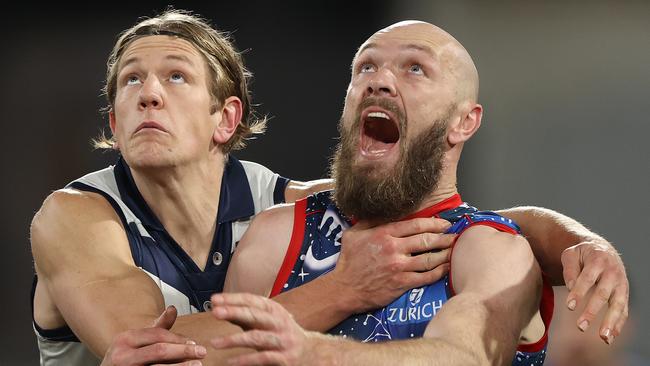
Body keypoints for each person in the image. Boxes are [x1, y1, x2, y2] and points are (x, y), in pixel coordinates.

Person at [29, 10, 627, 366]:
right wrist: (342, 292)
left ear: (227, 119)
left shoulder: (277, 203)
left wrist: (576, 239)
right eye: (364, 67)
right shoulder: (77, 219)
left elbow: (466, 222)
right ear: (111, 123)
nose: (148, 94)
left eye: (175, 76)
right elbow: (149, 355)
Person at [206, 21, 629, 366]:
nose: (379, 82)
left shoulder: (491, 249)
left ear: (464, 122)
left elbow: (466, 355)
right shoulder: (278, 234)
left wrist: (314, 353)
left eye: (414, 69)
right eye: (365, 68)